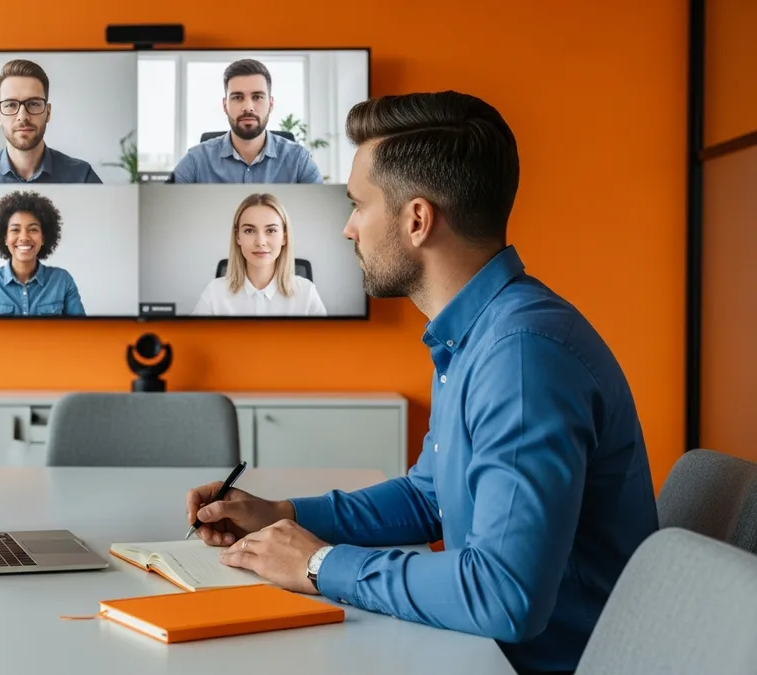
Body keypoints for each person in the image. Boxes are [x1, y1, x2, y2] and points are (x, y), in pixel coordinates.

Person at [184, 91, 658, 675]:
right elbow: (429, 496)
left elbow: (501, 594)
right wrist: (280, 513)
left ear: (416, 219)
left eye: (358, 205)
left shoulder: (522, 359)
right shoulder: (476, 333)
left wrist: (318, 564)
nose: (348, 229)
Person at [171, 59, 322, 184]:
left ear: (271, 104)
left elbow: (320, 212)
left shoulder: (299, 160)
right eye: (237, 97)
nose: (248, 107)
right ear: (225, 105)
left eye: (257, 97)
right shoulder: (195, 161)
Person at [0, 59, 102, 184]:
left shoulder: (82, 177)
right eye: (11, 105)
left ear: (48, 112)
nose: (22, 116)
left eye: (33, 103)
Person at [192, 192, 326, 316]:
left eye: (271, 230)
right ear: (238, 237)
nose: (260, 242)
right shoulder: (214, 292)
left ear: (284, 237)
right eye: (249, 231)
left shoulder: (306, 292)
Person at [0, 190, 86, 316]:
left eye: (33, 229)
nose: (24, 237)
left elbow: (81, 332)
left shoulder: (62, 280)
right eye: (15, 229)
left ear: (43, 238)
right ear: (5, 238)